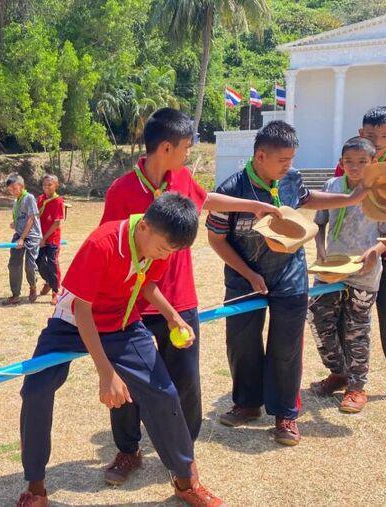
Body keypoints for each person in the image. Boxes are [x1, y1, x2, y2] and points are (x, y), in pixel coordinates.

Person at [98, 107, 280, 487]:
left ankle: (184, 452)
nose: (189, 154)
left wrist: (254, 205)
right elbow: (111, 244)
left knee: (186, 381)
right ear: (166, 148)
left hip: (180, 301)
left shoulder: (181, 177)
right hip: (133, 306)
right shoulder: (121, 191)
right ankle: (128, 450)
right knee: (130, 383)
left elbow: (206, 199)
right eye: (186, 147)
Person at [17, 193, 222, 507]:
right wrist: (107, 373)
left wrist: (173, 317)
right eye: (164, 249)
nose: (165, 255)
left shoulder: (160, 244)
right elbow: (82, 309)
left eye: (172, 251)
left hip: (121, 321)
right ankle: (36, 488)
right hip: (71, 323)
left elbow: (148, 284)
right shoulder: (102, 243)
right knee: (35, 390)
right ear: (145, 227)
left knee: (164, 393)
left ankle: (186, 481)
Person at [206, 121, 368, 446]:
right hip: (243, 278)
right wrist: (249, 274)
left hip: (289, 274)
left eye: (291, 159)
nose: (288, 166)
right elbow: (216, 239)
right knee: (242, 343)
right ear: (260, 156)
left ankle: (285, 414)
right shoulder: (231, 190)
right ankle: (247, 404)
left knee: (287, 347)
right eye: (283, 160)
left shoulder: (291, 178)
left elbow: (308, 199)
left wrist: (349, 199)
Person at [335, 106, 386, 408]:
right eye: (371, 135)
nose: (378, 141)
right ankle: (344, 376)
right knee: (347, 316)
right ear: (361, 133)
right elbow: (339, 204)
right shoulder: (350, 161)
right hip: (353, 254)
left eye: (385, 135)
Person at [309, 137, 386, 413]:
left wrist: (375, 250)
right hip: (330, 271)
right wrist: (321, 251)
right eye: (349, 161)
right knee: (318, 320)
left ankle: (357, 386)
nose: (355, 167)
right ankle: (339, 373)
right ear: (341, 163)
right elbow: (319, 224)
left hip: (364, 273)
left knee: (356, 330)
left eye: (362, 162)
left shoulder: (382, 191)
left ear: (374, 162)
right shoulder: (331, 186)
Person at [3, 173, 42, 305]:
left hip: (31, 236)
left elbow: (31, 219)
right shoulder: (16, 201)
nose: (12, 192)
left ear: (21, 186)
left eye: (14, 188)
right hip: (19, 235)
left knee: (30, 266)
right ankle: (15, 295)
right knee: (13, 264)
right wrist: (14, 223)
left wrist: (22, 238)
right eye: (10, 190)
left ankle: (33, 287)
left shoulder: (29, 198)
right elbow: (21, 217)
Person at [35, 174, 65, 305]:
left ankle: (55, 290)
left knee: (52, 262)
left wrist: (44, 238)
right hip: (40, 237)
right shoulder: (40, 199)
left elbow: (56, 223)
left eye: (50, 185)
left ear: (56, 185)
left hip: (52, 238)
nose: (46, 187)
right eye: (44, 185)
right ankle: (48, 281)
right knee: (38, 260)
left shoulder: (58, 201)